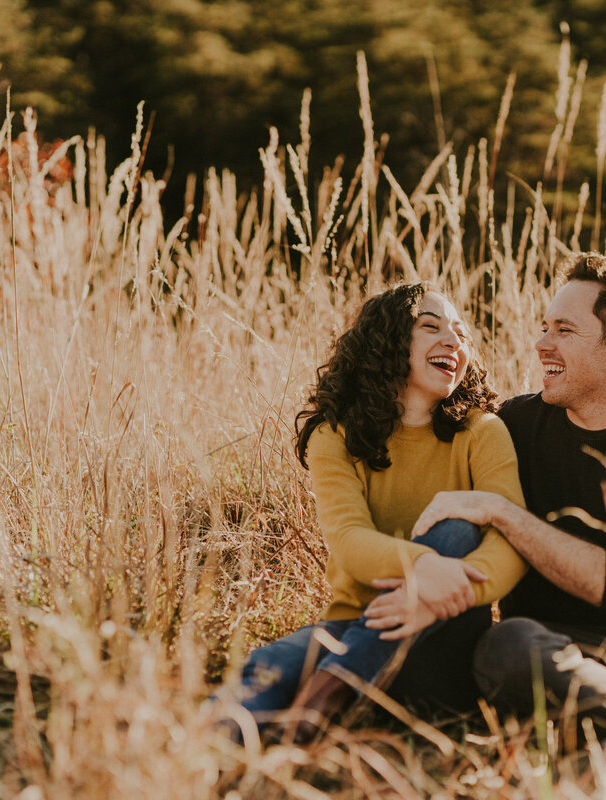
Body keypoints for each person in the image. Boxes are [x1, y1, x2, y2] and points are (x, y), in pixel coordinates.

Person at [371, 252, 606, 733]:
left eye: (565, 331)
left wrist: (501, 512)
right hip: (547, 650)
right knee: (505, 646)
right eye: (545, 326)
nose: (541, 344)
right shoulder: (512, 425)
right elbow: (415, 420)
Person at [219, 283, 526, 744]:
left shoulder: (482, 432)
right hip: (350, 627)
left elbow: (511, 542)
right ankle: (196, 758)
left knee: (458, 526)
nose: (453, 342)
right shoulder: (336, 434)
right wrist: (424, 567)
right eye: (431, 327)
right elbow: (349, 539)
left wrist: (439, 589)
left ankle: (326, 697)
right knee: (269, 669)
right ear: (386, 341)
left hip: (445, 637)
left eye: (461, 335)